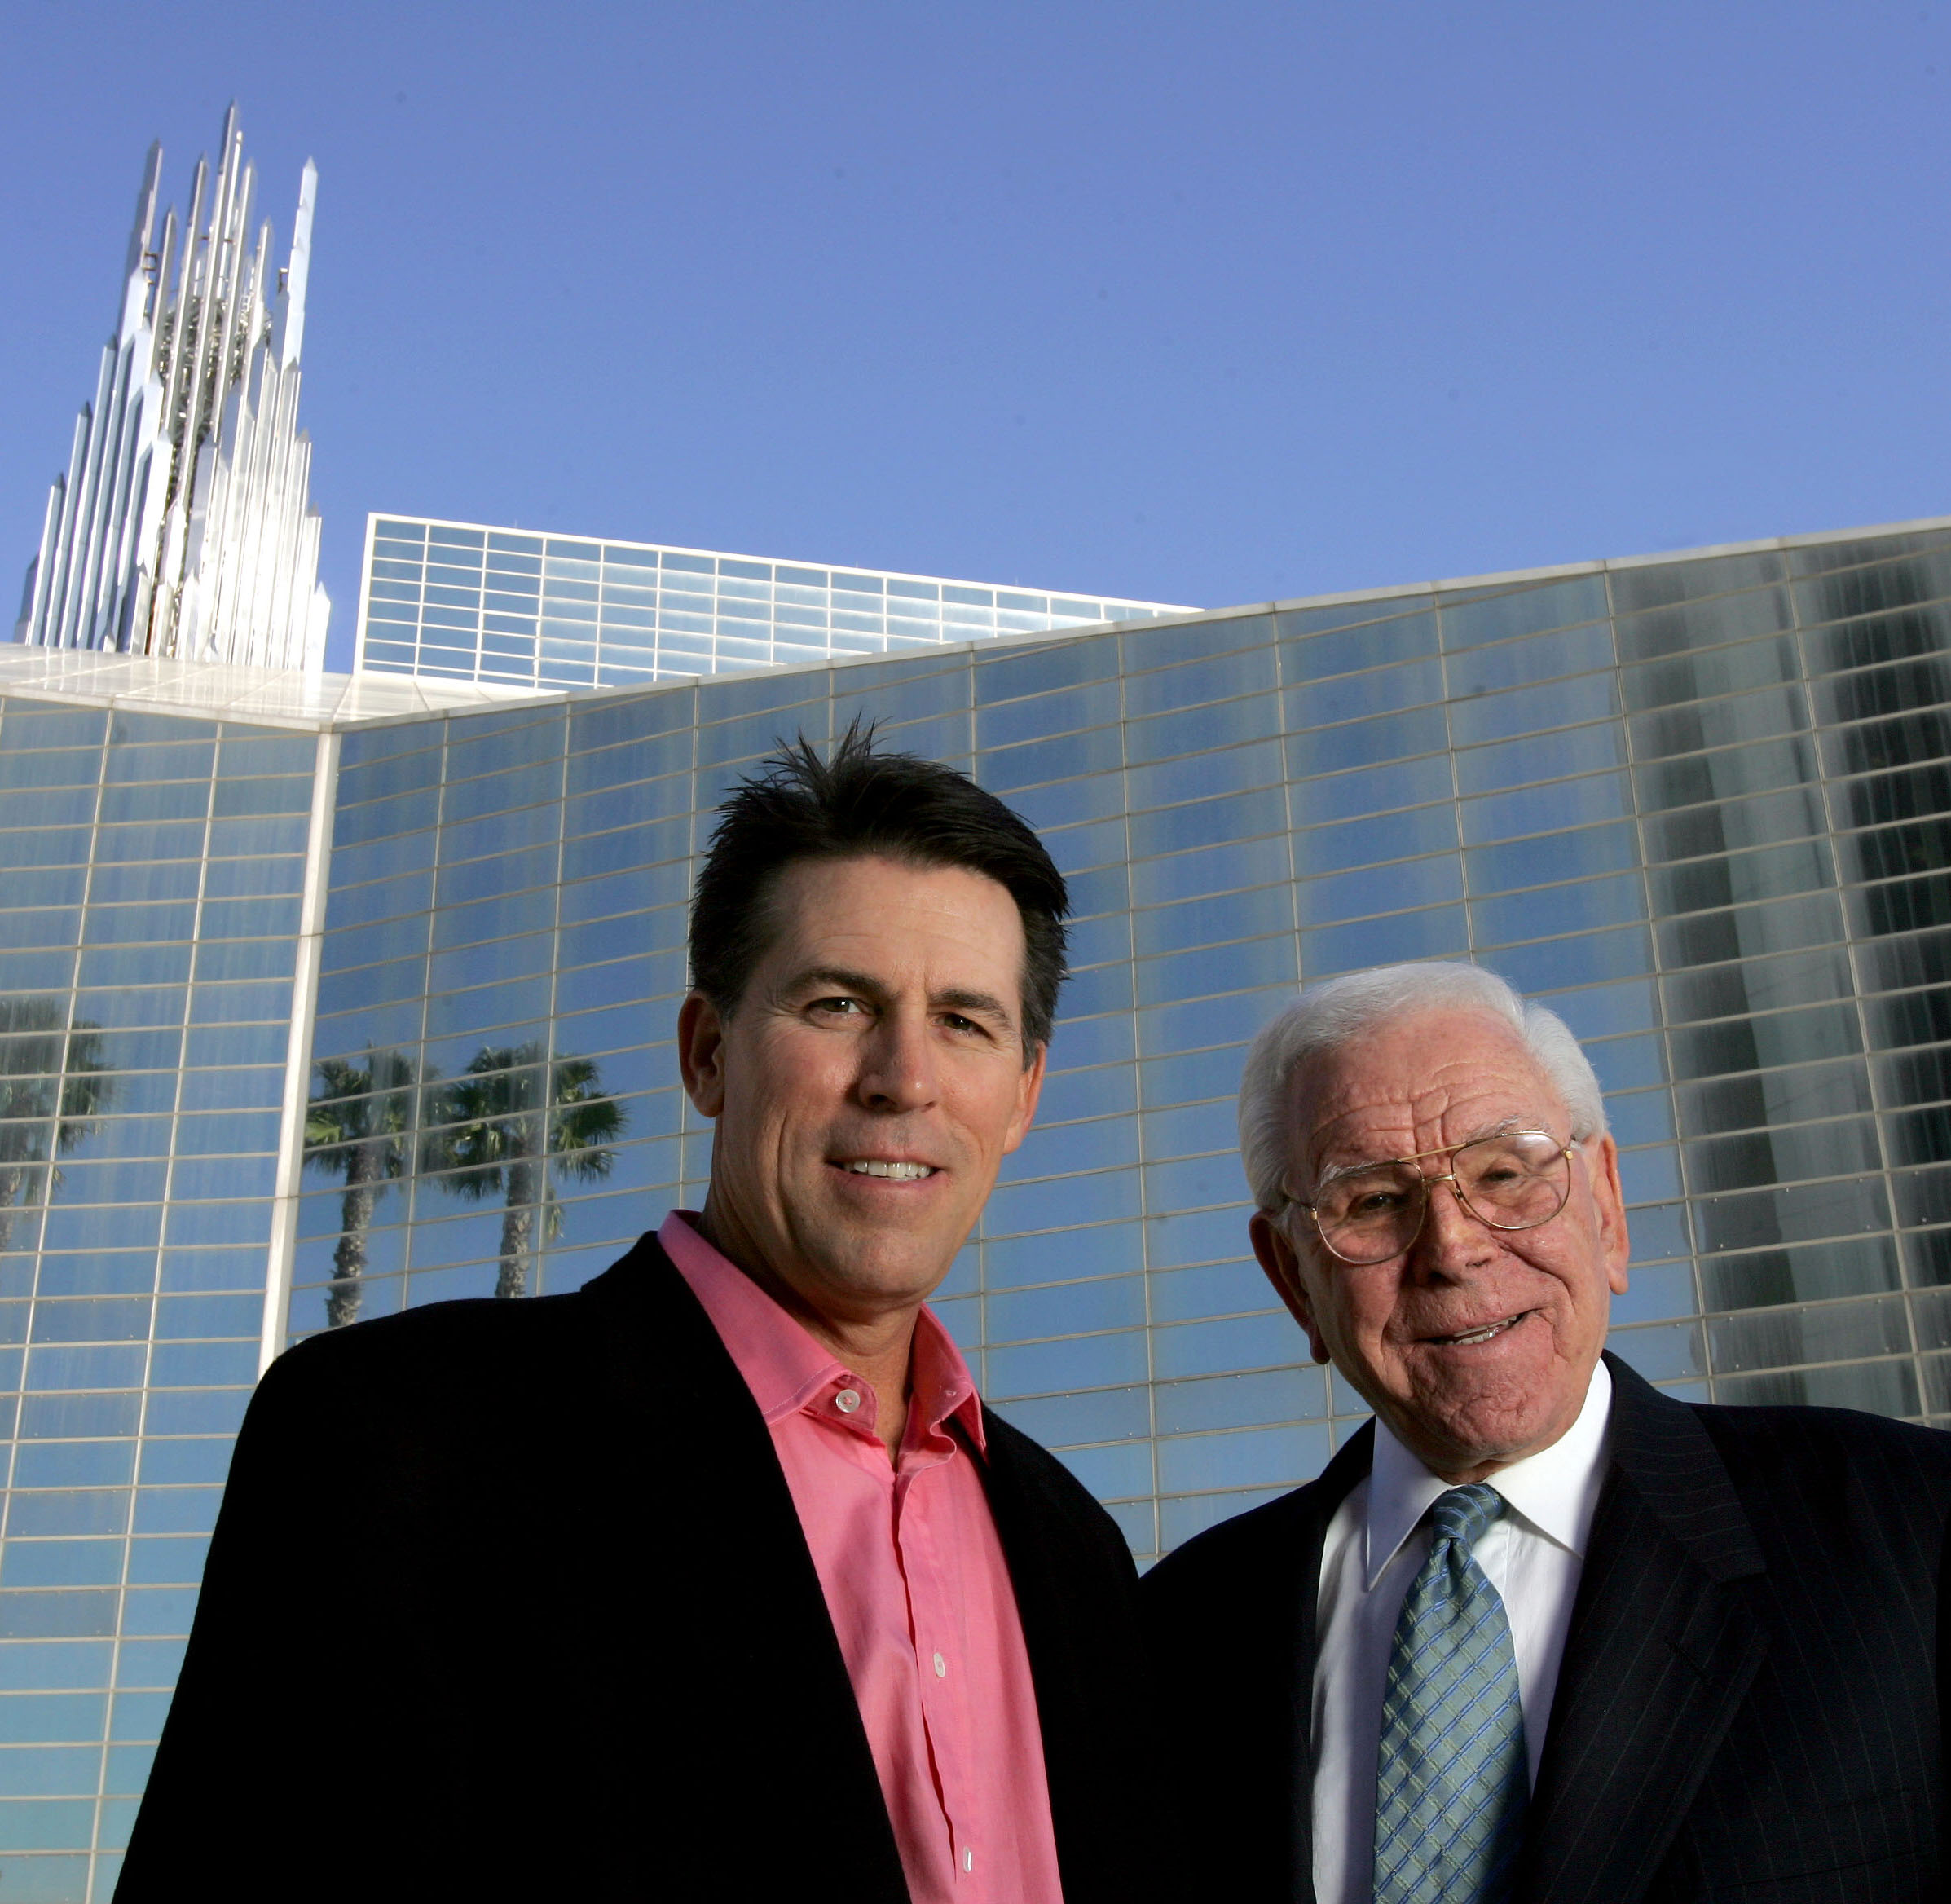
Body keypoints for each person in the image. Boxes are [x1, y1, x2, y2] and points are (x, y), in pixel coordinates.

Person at [119, 728, 1168, 1904]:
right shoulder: (398, 1441)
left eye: (964, 1024)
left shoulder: (1078, 1554)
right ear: (707, 1053)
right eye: (837, 1004)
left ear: (1021, 1096)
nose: (902, 1078)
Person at [1143, 959, 1951, 1904]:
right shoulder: (1168, 1636)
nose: (1454, 1246)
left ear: (1606, 1205)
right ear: (1292, 1277)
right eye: (1372, 1200)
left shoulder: (1912, 1527)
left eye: (1504, 1173)